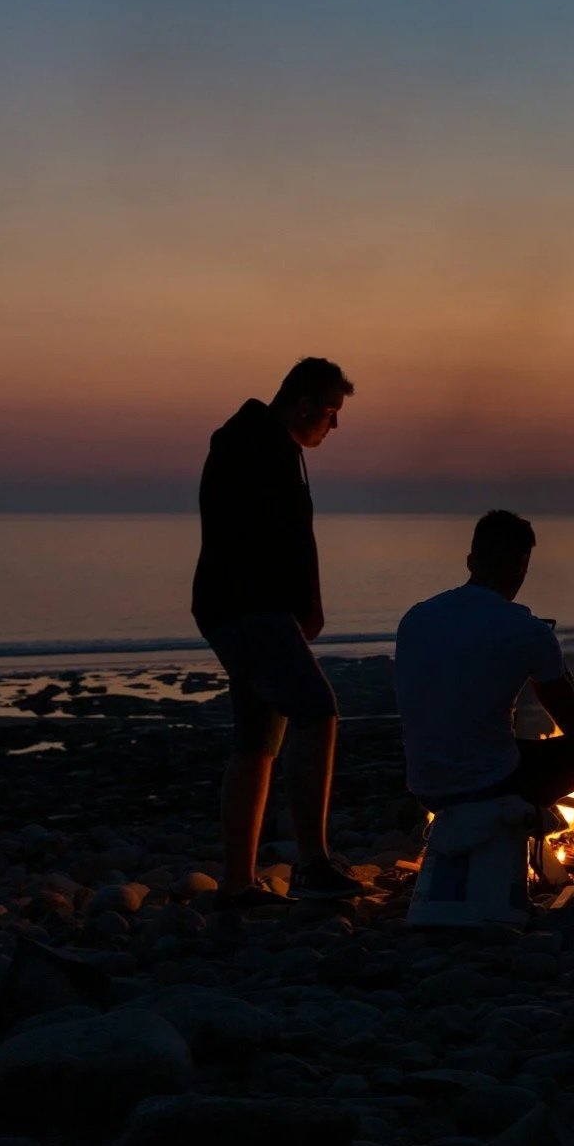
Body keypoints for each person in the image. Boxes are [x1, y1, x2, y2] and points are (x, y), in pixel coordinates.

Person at [394, 511, 574, 902]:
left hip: (427, 784)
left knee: (503, 740)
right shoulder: (524, 629)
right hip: (489, 782)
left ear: (470, 560)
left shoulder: (416, 618)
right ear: (521, 569)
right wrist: (551, 659)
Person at [192, 357, 365, 907]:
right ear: (304, 405)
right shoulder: (254, 445)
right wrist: (299, 609)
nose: (333, 428)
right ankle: (312, 862)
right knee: (316, 709)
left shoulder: (259, 442)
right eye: (331, 414)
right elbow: (273, 539)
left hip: (246, 609)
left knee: (257, 738)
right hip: (250, 608)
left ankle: (239, 884)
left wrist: (300, 611)